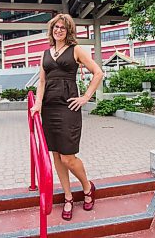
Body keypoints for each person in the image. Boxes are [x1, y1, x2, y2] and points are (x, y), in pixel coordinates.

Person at [30, 13, 103, 221]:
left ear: (68, 30)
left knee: (68, 157)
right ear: (52, 30)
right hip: (49, 109)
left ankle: (88, 187)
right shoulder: (45, 53)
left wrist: (85, 97)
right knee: (55, 156)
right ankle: (68, 197)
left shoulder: (76, 50)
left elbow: (98, 72)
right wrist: (37, 103)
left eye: (63, 27)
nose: (59, 30)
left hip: (68, 109)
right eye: (56, 27)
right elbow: (42, 82)